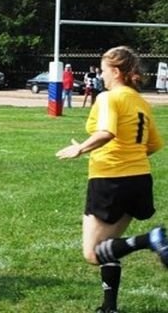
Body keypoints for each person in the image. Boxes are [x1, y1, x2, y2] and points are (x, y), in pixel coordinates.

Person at [56, 46, 167, 313]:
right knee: (109, 247)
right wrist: (130, 155)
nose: (101, 74)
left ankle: (150, 239)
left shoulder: (109, 97)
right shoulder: (141, 101)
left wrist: (80, 148)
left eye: (104, 69)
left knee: (92, 253)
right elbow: (153, 144)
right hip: (139, 179)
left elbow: (106, 132)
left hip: (111, 179)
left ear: (116, 71)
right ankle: (109, 307)